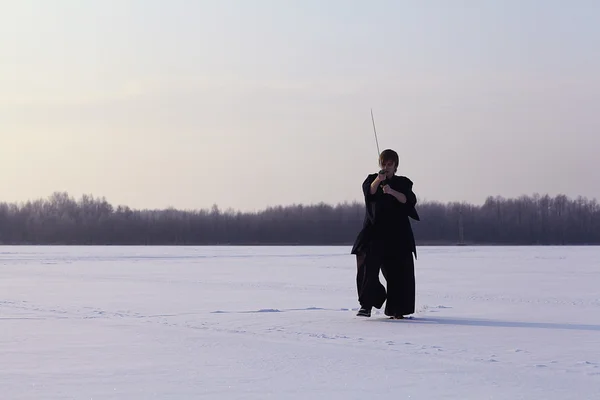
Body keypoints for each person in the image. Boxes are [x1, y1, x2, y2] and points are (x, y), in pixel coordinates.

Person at [351, 149, 420, 319]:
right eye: (384, 163)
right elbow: (370, 193)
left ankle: (398, 309)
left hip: (398, 235)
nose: (386, 167)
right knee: (367, 267)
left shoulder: (403, 182)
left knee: (400, 272)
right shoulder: (371, 180)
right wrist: (378, 181)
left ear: (395, 166)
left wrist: (391, 192)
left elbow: (409, 200)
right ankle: (367, 305)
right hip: (374, 233)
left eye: (390, 164)